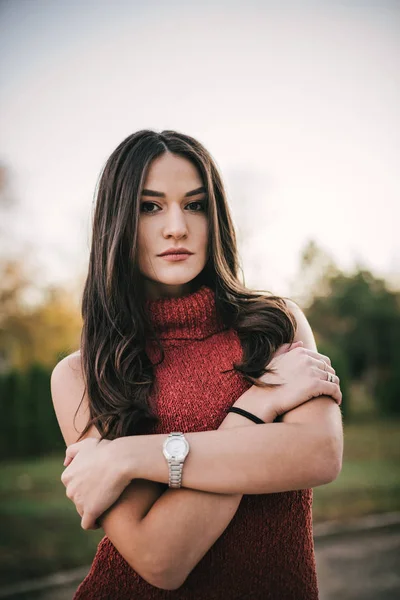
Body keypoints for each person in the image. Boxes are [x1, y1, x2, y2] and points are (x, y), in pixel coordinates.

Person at [50, 129, 343, 599]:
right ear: (117, 220)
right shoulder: (82, 373)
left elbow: (319, 455)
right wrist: (258, 407)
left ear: (216, 215)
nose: (176, 227)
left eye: (194, 204)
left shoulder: (273, 326)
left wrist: (126, 456)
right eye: (150, 206)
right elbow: (162, 559)